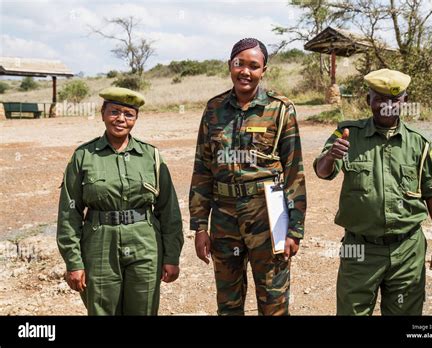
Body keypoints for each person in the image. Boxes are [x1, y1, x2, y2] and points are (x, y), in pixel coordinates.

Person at [314, 68, 432, 315]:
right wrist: (331, 155)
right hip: (358, 248)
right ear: (369, 101)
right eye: (379, 98)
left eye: (394, 99)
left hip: (407, 250)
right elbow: (323, 172)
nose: (386, 106)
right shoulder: (347, 134)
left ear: (405, 102)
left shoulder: (419, 143)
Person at [189, 38, 306, 315]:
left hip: (268, 215)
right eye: (239, 64)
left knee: (273, 303)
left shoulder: (280, 109)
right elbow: (202, 170)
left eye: (254, 66)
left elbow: (294, 172)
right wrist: (200, 227)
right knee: (228, 304)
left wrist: (295, 229)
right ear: (230, 65)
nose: (246, 72)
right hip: (224, 218)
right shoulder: (213, 109)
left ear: (263, 70)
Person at [57, 87, 184, 315]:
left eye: (128, 114)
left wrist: (171, 256)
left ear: (136, 118)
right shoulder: (84, 156)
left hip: (145, 243)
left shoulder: (150, 156)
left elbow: (169, 210)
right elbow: (70, 213)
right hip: (99, 244)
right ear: (102, 113)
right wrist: (73, 262)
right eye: (114, 112)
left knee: (143, 310)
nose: (121, 119)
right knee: (102, 310)